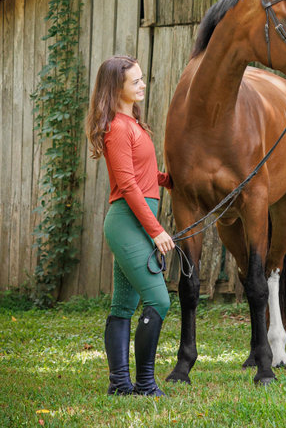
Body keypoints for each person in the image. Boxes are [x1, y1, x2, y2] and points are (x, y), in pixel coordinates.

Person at [85, 55, 175, 397]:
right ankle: (146, 384)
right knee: (160, 300)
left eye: (141, 78)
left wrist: (169, 181)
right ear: (116, 89)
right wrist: (156, 230)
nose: (142, 84)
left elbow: (143, 175)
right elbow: (127, 185)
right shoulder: (118, 129)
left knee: (123, 306)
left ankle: (120, 384)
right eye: (134, 81)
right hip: (127, 223)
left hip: (136, 220)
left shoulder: (132, 123)